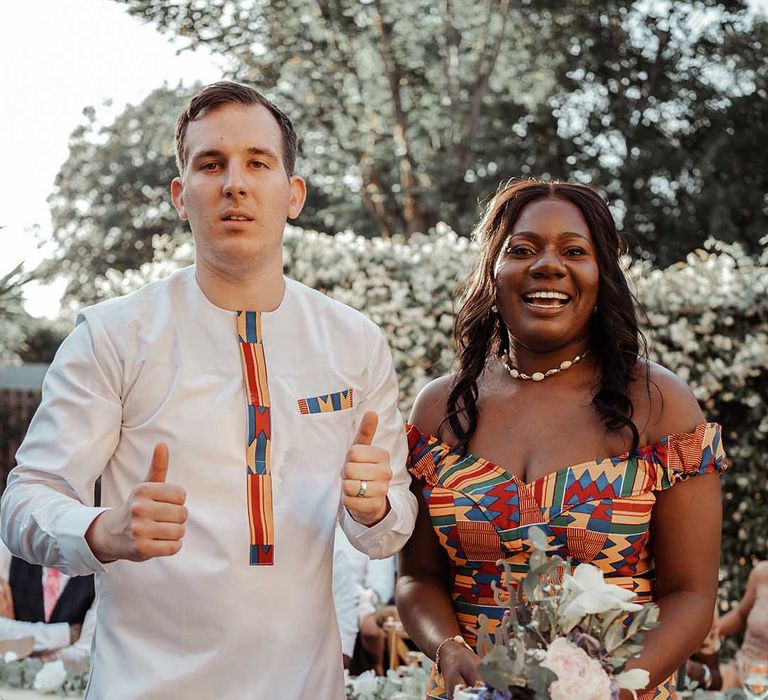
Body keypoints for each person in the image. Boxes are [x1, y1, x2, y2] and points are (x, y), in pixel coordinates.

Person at [0, 81, 417, 700]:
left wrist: (372, 507)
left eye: (257, 162)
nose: (235, 184)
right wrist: (101, 531)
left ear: (293, 193)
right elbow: (26, 498)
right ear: (180, 195)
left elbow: (391, 528)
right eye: (210, 164)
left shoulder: (354, 342)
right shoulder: (113, 335)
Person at [395, 180, 727, 700]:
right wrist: (448, 648)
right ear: (492, 272)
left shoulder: (659, 402)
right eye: (522, 249)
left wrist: (606, 688)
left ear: (602, 277)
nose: (548, 265)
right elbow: (417, 576)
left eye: (574, 251)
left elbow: (690, 593)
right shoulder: (441, 407)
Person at [0, 541, 95, 674]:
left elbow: (87, 652)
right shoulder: (9, 547)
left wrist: (21, 652)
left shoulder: (99, 571)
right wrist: (65, 635)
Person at [687, 561, 768, 691]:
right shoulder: (762, 573)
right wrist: (703, 634)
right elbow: (741, 615)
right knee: (697, 683)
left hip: (763, 681)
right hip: (740, 671)